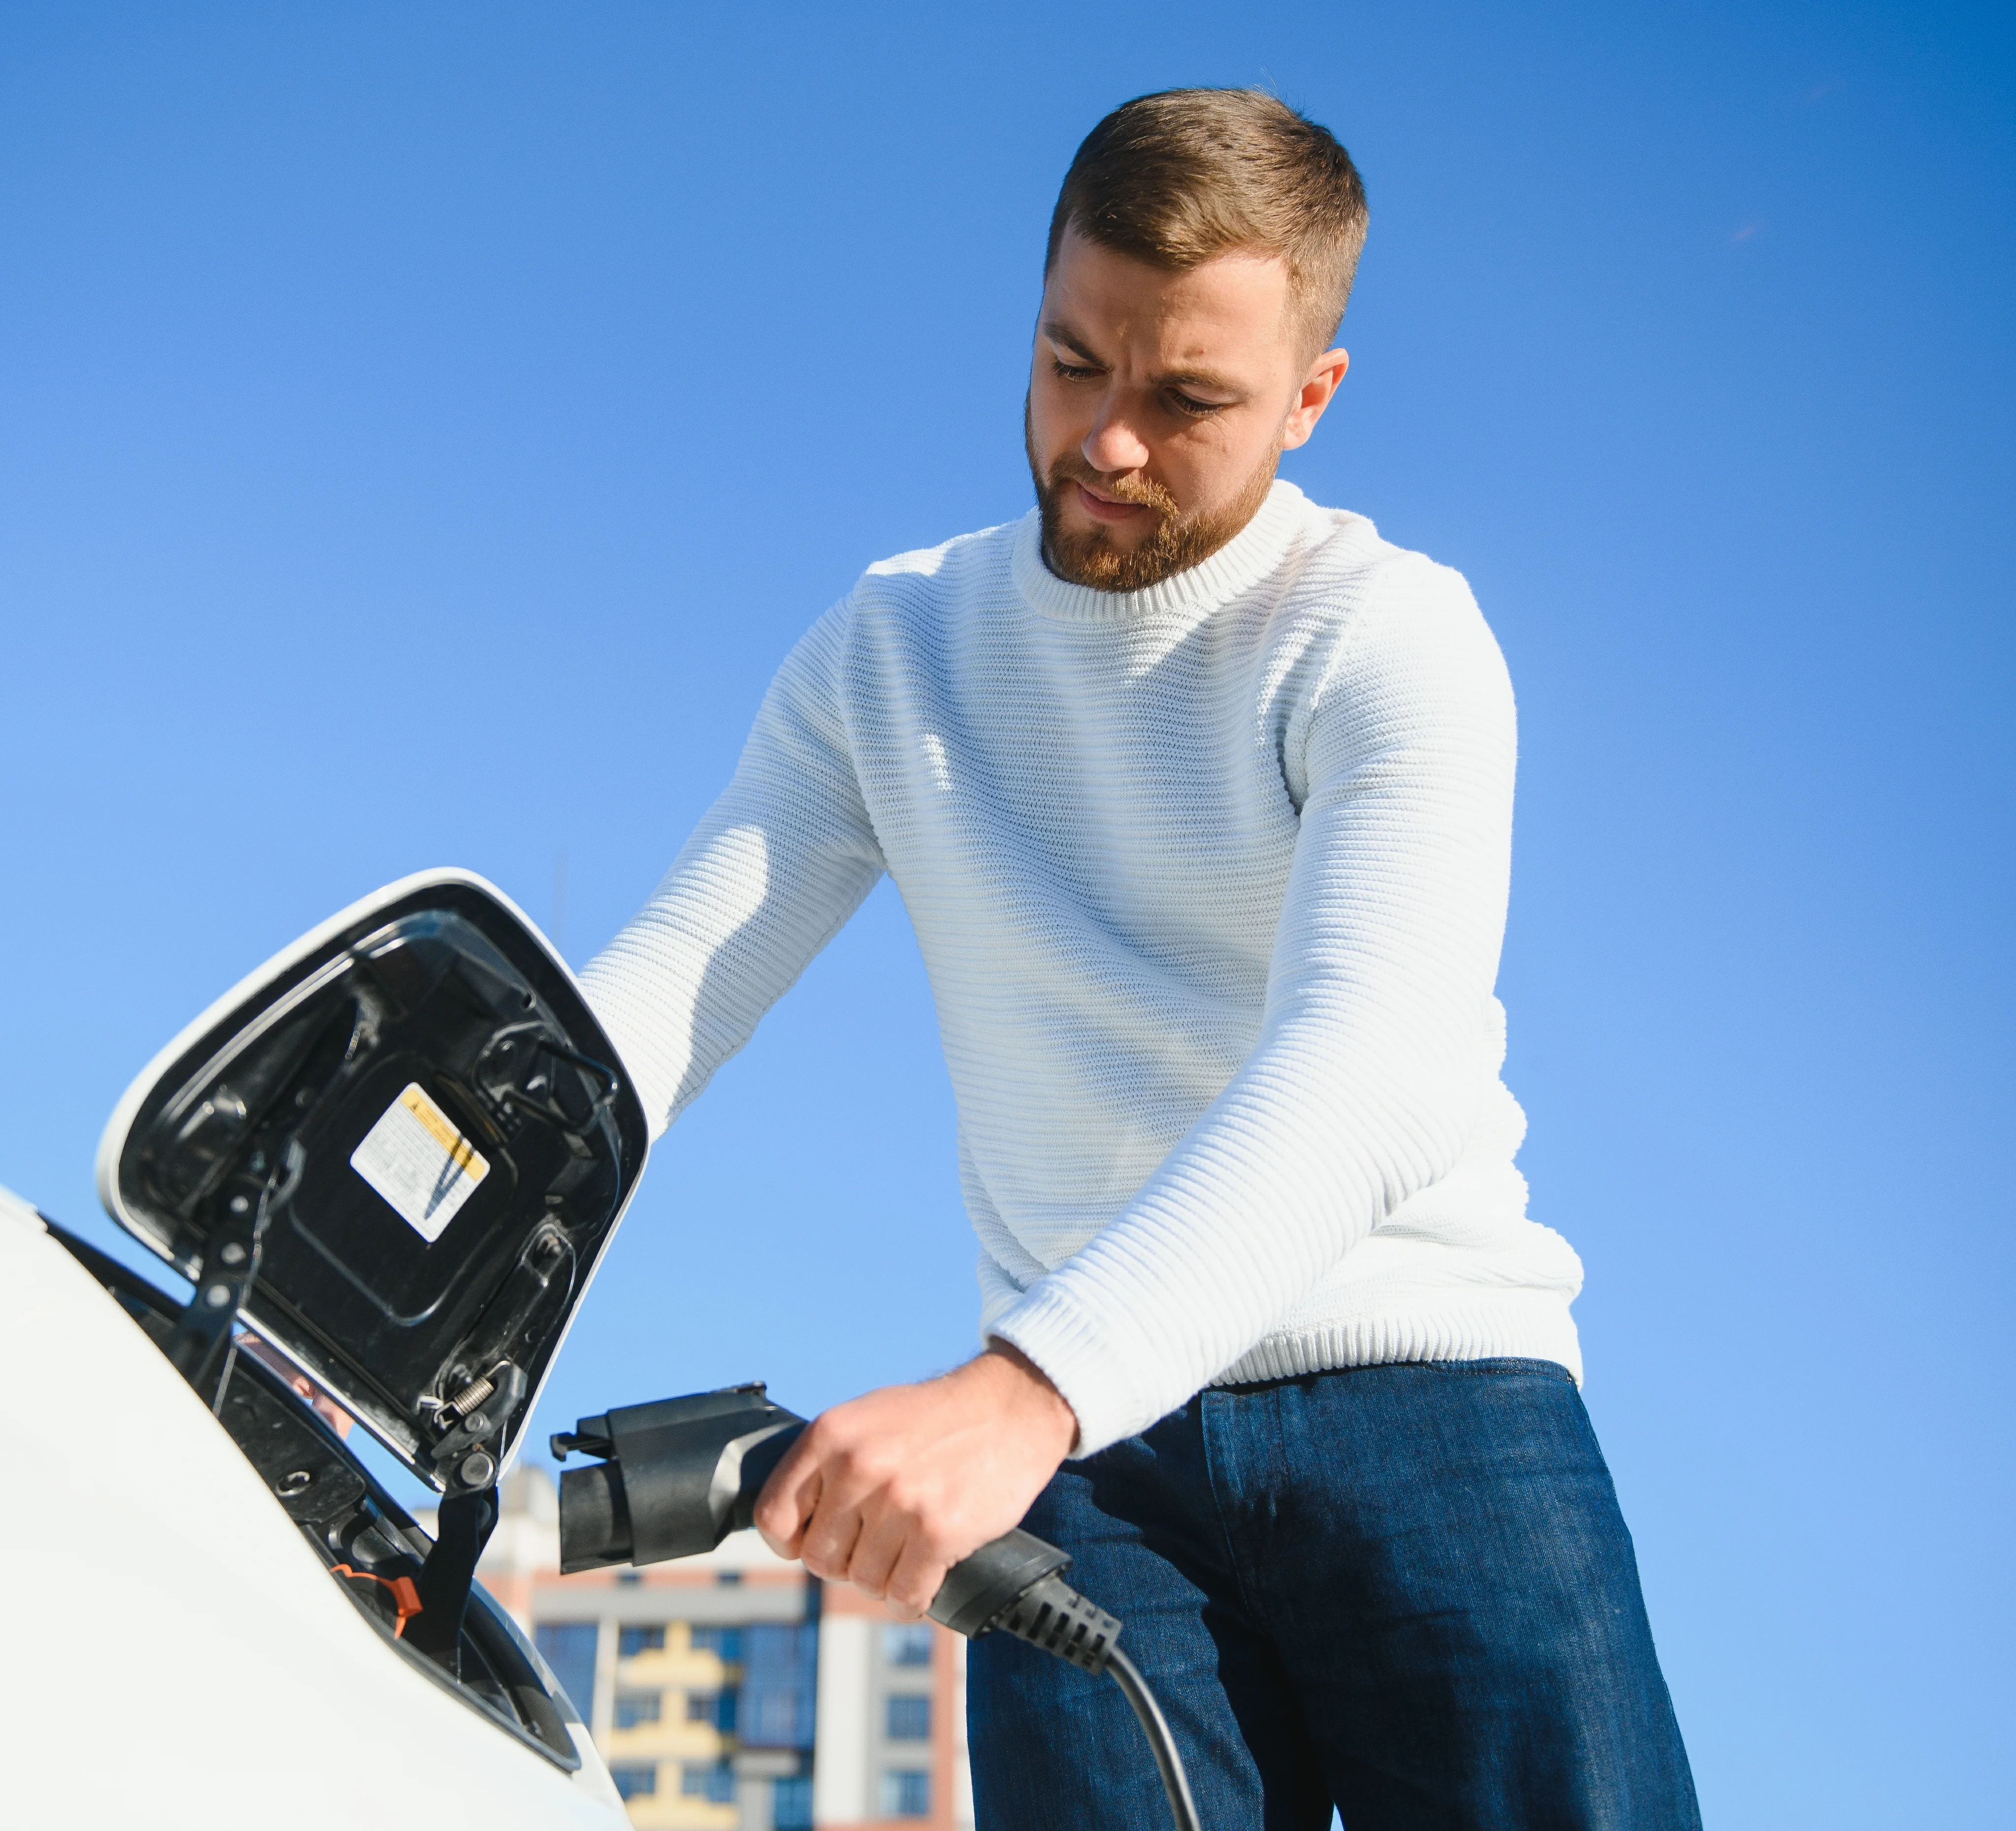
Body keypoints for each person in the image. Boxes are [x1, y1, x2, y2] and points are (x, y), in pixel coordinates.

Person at [576, 89, 1700, 1830]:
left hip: (1437, 1418)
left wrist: (1020, 1390)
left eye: (1185, 399)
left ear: (1310, 398)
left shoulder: (1389, 637)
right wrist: (405, 1222)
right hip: (1097, 1483)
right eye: (1069, 360)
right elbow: (666, 985)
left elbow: (1370, 1065)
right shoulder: (889, 649)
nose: (1104, 440)